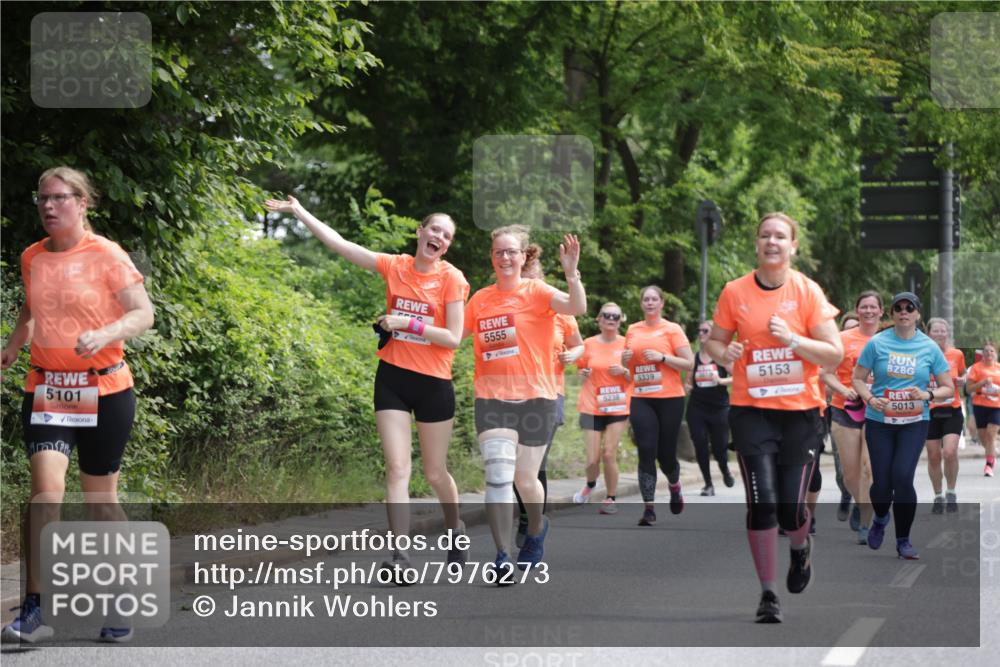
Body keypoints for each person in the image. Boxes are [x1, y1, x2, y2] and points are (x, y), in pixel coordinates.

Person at [264, 196, 469, 577]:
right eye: (433, 229)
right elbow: (342, 246)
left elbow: (454, 337)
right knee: (396, 469)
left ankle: (455, 530)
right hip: (392, 377)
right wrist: (299, 211)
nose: (438, 236)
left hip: (434, 384)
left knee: (436, 472)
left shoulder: (451, 279)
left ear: (447, 246)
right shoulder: (396, 266)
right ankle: (400, 557)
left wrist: (408, 324)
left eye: (446, 235)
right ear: (420, 232)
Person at [1, 167, 155, 643]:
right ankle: (35, 609)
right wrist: (11, 345)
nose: (49, 207)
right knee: (45, 494)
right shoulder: (32, 257)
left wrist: (105, 333)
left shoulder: (106, 254)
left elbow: (142, 313)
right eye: (42, 199)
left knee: (100, 504)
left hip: (104, 390)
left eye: (60, 198)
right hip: (49, 388)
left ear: (83, 203)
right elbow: (31, 309)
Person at [704, 211, 842, 624]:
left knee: (791, 510)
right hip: (751, 411)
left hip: (800, 413)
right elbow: (714, 343)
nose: (772, 242)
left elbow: (833, 353)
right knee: (762, 503)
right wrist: (721, 353)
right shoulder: (734, 291)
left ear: (792, 246)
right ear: (757, 243)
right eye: (765, 235)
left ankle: (800, 549)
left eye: (780, 236)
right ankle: (768, 594)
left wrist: (794, 339)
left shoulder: (808, 292)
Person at [463, 225, 584, 578]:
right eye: (498, 252)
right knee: (498, 476)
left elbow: (577, 306)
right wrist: (409, 327)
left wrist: (571, 273)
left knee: (525, 479)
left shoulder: (538, 292)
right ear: (492, 257)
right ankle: (501, 555)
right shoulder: (480, 300)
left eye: (511, 252)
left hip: (537, 399)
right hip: (492, 399)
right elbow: (453, 335)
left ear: (523, 256)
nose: (504, 257)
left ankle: (535, 527)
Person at [852, 292, 952, 561]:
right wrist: (871, 398)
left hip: (914, 422)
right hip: (879, 421)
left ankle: (903, 540)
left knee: (902, 477)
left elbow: (948, 387)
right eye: (899, 308)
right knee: (882, 484)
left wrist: (927, 395)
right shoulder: (877, 343)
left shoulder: (929, 347)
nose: (904, 312)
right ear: (892, 314)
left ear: (918, 314)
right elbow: (858, 378)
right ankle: (881, 517)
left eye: (910, 308)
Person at [514, 257, 583, 544]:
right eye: (525, 279)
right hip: (511, 395)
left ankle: (532, 521)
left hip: (549, 395)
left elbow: (579, 345)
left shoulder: (561, 310)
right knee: (516, 465)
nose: (531, 285)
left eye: (535, 278)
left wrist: (572, 355)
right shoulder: (512, 309)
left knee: (534, 463)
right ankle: (527, 514)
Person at [623, 286, 694, 526]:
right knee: (645, 448)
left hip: (670, 398)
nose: (650, 302)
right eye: (646, 299)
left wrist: (663, 358)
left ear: (661, 303)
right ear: (642, 303)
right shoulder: (633, 329)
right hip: (641, 395)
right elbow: (628, 366)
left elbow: (689, 363)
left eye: (654, 299)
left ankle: (674, 485)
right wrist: (625, 362)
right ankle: (649, 508)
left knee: (665, 454)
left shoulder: (672, 329)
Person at [821, 292, 883, 544]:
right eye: (863, 307)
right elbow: (826, 373)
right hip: (844, 408)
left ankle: (866, 524)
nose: (868, 311)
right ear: (857, 311)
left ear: (881, 311)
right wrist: (843, 389)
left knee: (869, 468)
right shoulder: (843, 339)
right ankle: (860, 502)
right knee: (850, 474)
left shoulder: (890, 340)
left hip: (877, 410)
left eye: (873, 307)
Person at [573, 303, 631, 514]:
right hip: (592, 405)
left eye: (615, 316)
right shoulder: (587, 344)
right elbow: (580, 371)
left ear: (620, 320)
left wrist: (625, 371)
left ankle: (610, 498)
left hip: (618, 406)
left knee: (609, 454)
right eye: (606, 315)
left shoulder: (627, 344)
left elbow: (636, 377)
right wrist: (583, 374)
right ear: (598, 319)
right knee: (592, 459)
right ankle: (590, 484)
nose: (611, 319)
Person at [684, 320, 734, 496]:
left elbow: (739, 376)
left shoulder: (722, 358)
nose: (701, 334)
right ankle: (708, 484)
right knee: (700, 445)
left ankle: (725, 469)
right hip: (697, 407)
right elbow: (688, 380)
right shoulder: (694, 357)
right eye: (699, 331)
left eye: (705, 331)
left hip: (719, 408)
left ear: (713, 334)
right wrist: (687, 387)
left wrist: (722, 381)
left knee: (720, 448)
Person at [924, 318, 967, 510]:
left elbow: (964, 374)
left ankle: (951, 492)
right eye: (936, 331)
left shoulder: (956, 354)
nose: (940, 334)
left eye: (943, 331)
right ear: (928, 333)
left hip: (952, 409)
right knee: (933, 456)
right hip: (929, 411)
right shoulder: (921, 354)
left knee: (949, 452)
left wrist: (962, 380)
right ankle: (938, 496)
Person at [830, 310, 859, 524]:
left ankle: (861, 505)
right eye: (847, 329)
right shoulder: (836, 350)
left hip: (867, 411)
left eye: (854, 328)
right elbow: (823, 377)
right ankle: (846, 492)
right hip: (839, 409)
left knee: (866, 466)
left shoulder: (870, 348)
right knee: (842, 469)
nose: (851, 333)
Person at [967, 340, 1000, 477]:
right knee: (983, 437)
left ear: (995, 354)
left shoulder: (999, 368)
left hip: (996, 406)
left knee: (991, 434)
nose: (989, 353)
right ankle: (992, 452)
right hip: (980, 404)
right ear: (983, 354)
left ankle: (989, 465)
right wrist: (982, 382)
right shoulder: (976, 368)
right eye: (986, 351)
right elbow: (969, 389)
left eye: (991, 351)